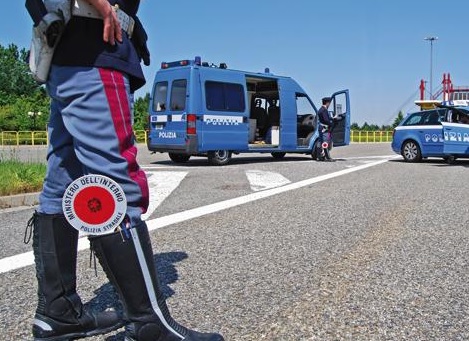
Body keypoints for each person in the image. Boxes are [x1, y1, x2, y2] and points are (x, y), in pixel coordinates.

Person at [25, 1, 224, 340]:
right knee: (116, 185)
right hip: (93, 48)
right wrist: (103, 6)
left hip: (67, 54)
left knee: (61, 186)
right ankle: (149, 325)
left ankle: (58, 313)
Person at [316, 97, 334, 161]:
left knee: (320, 142)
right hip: (325, 128)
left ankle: (319, 156)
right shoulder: (324, 110)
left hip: (321, 127)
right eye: (329, 103)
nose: (329, 105)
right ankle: (327, 157)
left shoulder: (320, 109)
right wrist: (331, 123)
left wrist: (331, 118)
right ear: (327, 103)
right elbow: (326, 120)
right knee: (325, 142)